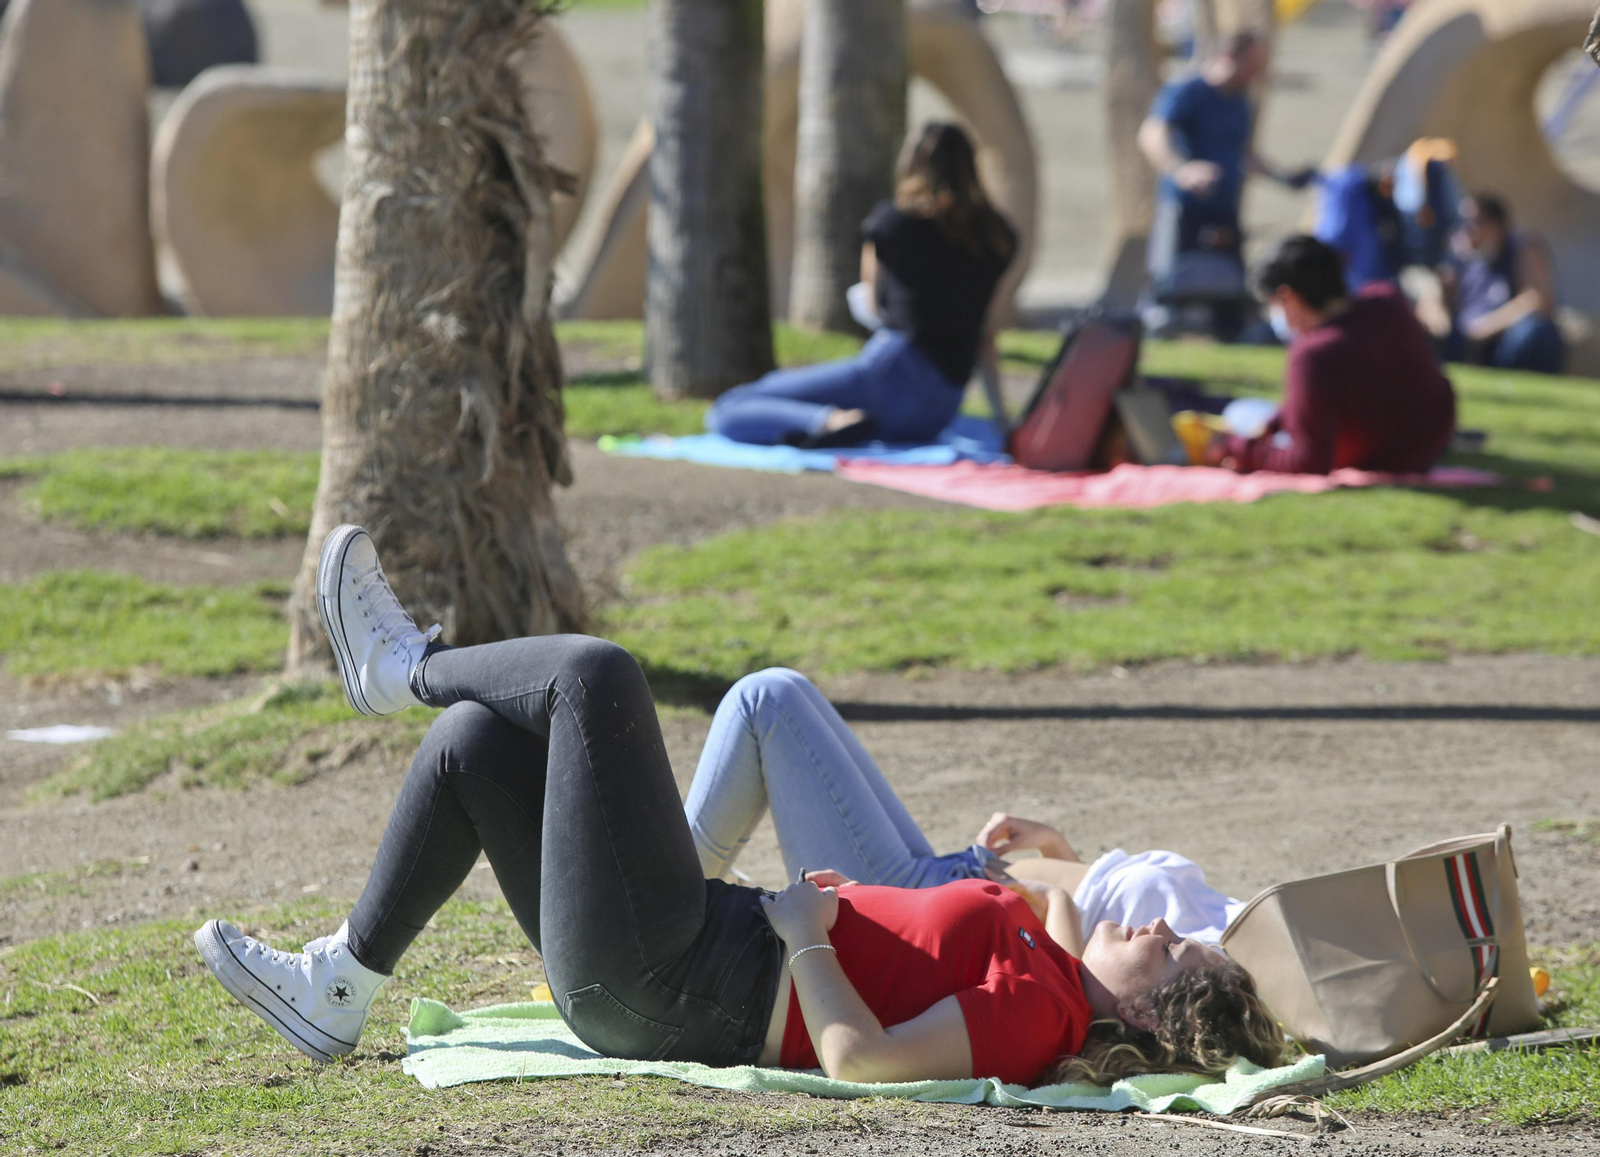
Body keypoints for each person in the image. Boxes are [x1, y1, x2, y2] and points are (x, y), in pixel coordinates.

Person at [194, 526, 1283, 1088]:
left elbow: (862, 1062)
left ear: (1147, 1016)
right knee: (479, 742)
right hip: (688, 946)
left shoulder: (1036, 1018)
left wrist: (811, 939)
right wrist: (1053, 862)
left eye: (1174, 954)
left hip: (681, 978)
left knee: (597, 678)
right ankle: (341, 982)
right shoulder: (1054, 965)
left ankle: (403, 668)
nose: (1161, 925)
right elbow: (1056, 914)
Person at [687, 667, 1248, 954]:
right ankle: (648, 898)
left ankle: (647, 903)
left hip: (924, 902)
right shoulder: (1246, 921)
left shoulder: (1220, 965)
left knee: (766, 699)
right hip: (952, 873)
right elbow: (1100, 917)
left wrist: (1050, 894)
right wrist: (1056, 849)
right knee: (784, 689)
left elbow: (1079, 991)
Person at [705, 122, 1016, 448]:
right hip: (939, 410)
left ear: (911, 164)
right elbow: (985, 333)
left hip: (893, 367)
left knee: (729, 408)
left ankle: (829, 420)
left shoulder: (893, 224)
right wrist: (1001, 420)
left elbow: (872, 304)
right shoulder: (996, 239)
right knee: (820, 391)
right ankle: (840, 421)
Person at [1205, 234, 1456, 475]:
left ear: (1288, 298)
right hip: (1429, 445)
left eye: (1271, 304)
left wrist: (1237, 447)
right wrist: (1275, 423)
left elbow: (1308, 461)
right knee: (1263, 415)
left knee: (1241, 412)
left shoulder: (1312, 355)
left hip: (1377, 457)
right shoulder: (1388, 301)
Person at [1137, 31, 1312, 337]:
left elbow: (1243, 154)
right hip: (1184, 209)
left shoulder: (1240, 103)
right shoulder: (1188, 90)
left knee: (1229, 290)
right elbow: (1152, 134)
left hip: (1224, 209)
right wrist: (1182, 170)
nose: (1256, 72)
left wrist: (1284, 178)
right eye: (1252, 64)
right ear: (1229, 57)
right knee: (1171, 287)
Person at [1437, 193, 1565, 375]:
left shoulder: (1523, 247)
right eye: (1462, 223)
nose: (1466, 230)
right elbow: (1435, 291)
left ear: (1497, 226)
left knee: (1535, 331)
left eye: (1473, 223)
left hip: (1505, 340)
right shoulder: (1460, 256)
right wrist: (1438, 314)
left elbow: (1539, 299)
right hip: (1464, 339)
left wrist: (1485, 328)